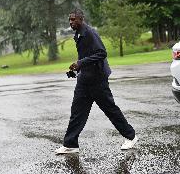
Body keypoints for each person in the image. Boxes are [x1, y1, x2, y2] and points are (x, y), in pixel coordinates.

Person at [55, 8, 138, 154]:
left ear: (81, 19)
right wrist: (77, 68)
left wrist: (81, 63)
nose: (71, 22)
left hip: (98, 80)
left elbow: (101, 53)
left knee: (110, 110)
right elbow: (85, 55)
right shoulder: (78, 34)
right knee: (77, 112)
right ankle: (71, 144)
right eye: (69, 20)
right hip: (84, 80)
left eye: (73, 19)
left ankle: (131, 137)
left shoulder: (90, 33)